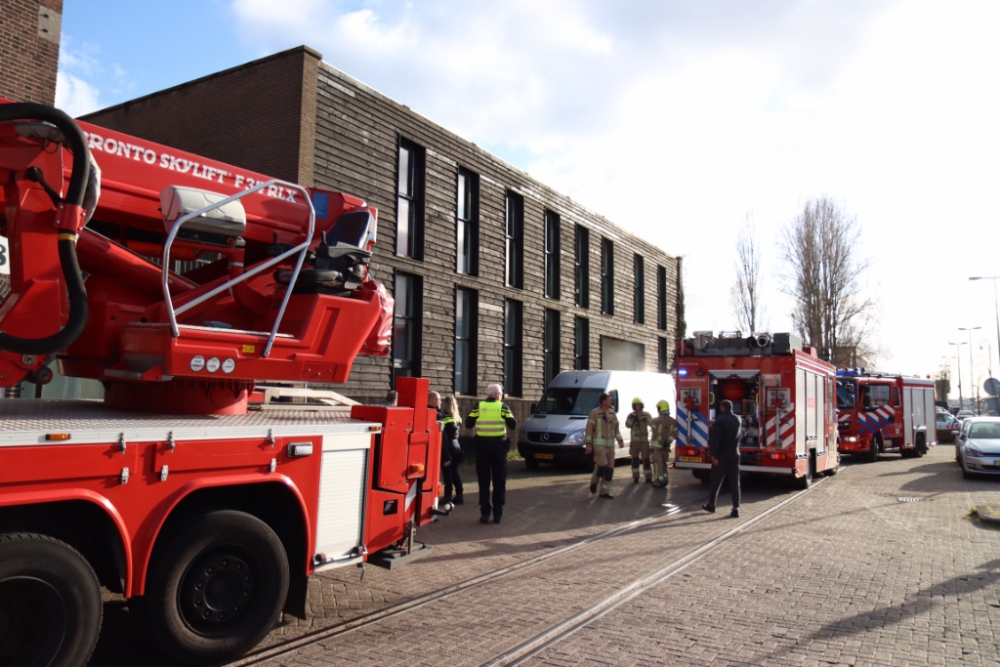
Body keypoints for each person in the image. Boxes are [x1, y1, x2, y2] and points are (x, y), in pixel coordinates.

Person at [465, 384, 517, 524]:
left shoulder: (478, 406)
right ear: (498, 394)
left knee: (483, 481)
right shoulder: (503, 407)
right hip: (499, 448)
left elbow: (468, 423)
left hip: (482, 447)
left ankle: (485, 513)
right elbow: (513, 424)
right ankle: (498, 514)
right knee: (499, 481)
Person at [703, 399, 742, 518]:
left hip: (721, 455)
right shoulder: (738, 419)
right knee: (735, 482)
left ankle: (712, 505)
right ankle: (736, 508)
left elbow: (715, 439)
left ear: (722, 407)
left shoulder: (720, 420)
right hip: (734, 454)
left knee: (715, 481)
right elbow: (730, 429)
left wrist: (713, 455)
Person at [586, 393, 625, 499]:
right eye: (609, 400)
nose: (611, 401)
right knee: (602, 464)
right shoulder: (594, 413)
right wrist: (588, 444)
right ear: (603, 402)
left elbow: (616, 429)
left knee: (609, 469)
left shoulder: (612, 413)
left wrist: (620, 440)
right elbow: (589, 430)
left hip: (610, 445)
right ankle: (594, 481)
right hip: (599, 445)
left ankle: (604, 491)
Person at [440, 395, 464, 505]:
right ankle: (460, 495)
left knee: (447, 472)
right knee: (455, 471)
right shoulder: (457, 417)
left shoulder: (443, 417)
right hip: (456, 445)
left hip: (448, 445)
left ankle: (447, 496)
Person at [650, 400, 678, 488]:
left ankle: (658, 481)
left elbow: (655, 434)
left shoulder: (655, 420)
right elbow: (675, 434)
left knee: (657, 464)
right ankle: (665, 480)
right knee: (664, 463)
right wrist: (667, 443)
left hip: (656, 447)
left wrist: (662, 442)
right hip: (666, 447)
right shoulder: (673, 421)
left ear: (660, 409)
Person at [625, 397, 653, 483]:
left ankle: (648, 477)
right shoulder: (631, 415)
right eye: (636, 405)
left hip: (644, 441)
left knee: (646, 459)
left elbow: (652, 423)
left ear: (642, 406)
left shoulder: (646, 414)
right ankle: (635, 477)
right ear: (634, 406)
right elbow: (628, 425)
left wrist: (644, 419)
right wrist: (633, 419)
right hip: (634, 441)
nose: (638, 406)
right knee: (635, 460)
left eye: (639, 405)